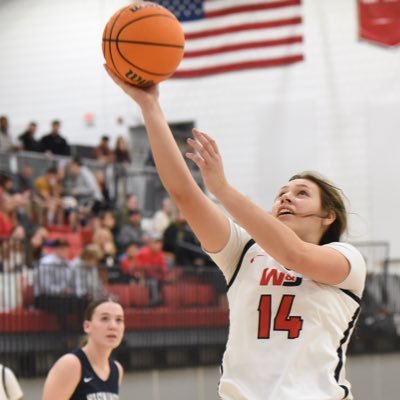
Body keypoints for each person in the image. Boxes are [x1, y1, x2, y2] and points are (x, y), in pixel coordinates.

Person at [105, 66, 367, 399]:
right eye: (281, 193)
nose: (285, 196)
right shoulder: (244, 252)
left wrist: (223, 190)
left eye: (301, 193)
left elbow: (293, 255)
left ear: (329, 215)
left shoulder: (347, 261)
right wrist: (150, 106)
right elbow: (185, 193)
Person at [42, 299, 124, 400]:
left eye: (119, 320)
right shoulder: (71, 364)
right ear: (87, 326)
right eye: (104, 318)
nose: (113, 326)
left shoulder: (117, 369)